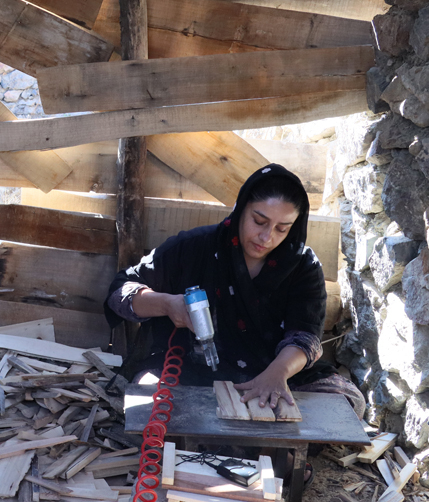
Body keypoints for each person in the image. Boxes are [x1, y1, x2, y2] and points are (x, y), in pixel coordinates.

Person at [105, 164, 364, 418]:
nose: (267, 237)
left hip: (275, 371)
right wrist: (167, 304)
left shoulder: (302, 266)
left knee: (346, 405)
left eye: (282, 229)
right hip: (193, 369)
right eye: (259, 221)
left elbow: (306, 336)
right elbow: (120, 292)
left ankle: (247, 444)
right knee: (147, 398)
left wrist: (277, 374)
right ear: (241, 209)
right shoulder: (194, 248)